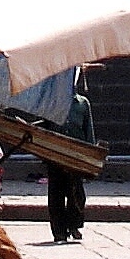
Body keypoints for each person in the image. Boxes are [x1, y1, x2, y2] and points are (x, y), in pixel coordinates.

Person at [46, 73, 96, 244]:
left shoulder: (82, 104)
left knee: (76, 193)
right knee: (56, 194)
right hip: (54, 155)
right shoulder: (51, 103)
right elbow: (43, 129)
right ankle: (59, 231)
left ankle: (73, 225)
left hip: (76, 156)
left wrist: (90, 156)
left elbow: (88, 131)